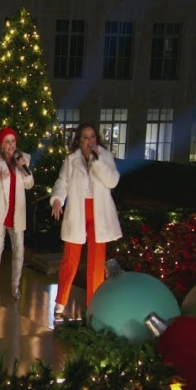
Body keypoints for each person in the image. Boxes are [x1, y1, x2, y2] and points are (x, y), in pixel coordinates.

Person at [51, 122, 122, 315]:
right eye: (85, 137)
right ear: (79, 140)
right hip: (77, 212)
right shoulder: (71, 159)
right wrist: (57, 199)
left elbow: (112, 181)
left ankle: (93, 304)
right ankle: (61, 300)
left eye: (92, 137)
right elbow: (62, 182)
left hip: (99, 214)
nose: (90, 141)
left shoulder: (104, 156)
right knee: (70, 259)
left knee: (96, 263)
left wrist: (96, 161)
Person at [0, 127, 34, 300]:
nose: (11, 145)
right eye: (7, 142)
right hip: (1, 213)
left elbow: (29, 184)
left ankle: (16, 285)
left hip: (16, 212)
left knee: (19, 249)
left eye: (13, 141)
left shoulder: (22, 160)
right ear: (1, 145)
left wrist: (24, 169)